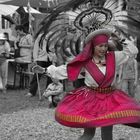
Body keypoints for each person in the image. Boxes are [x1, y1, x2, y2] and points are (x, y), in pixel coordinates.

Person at [33, 29, 140, 140]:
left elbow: (133, 52)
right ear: (93, 46)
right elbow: (66, 70)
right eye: (100, 46)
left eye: (105, 46)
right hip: (91, 100)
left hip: (109, 99)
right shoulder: (86, 62)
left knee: (107, 135)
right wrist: (45, 70)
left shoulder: (113, 57)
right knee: (88, 134)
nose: (103, 49)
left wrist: (120, 39)